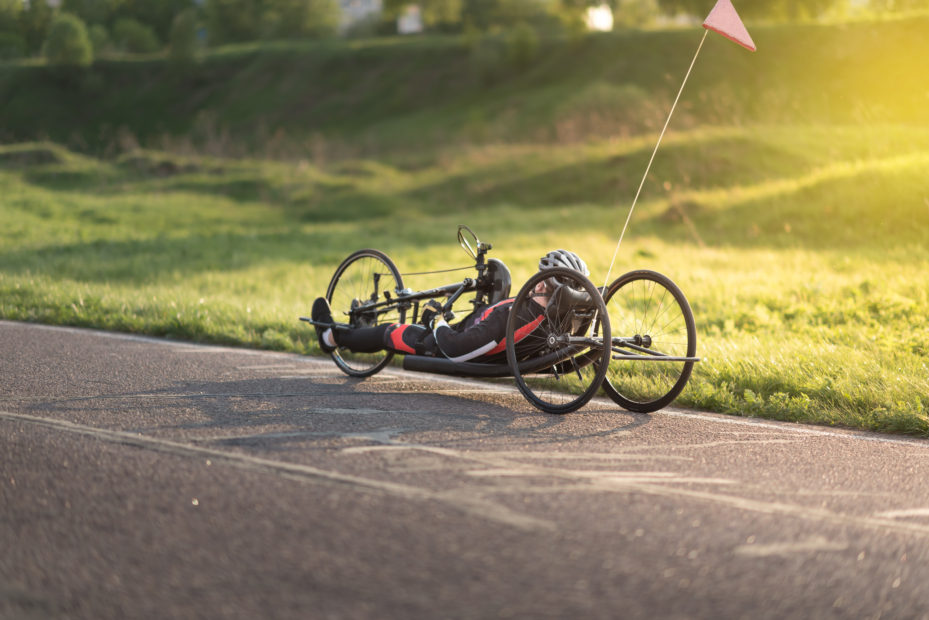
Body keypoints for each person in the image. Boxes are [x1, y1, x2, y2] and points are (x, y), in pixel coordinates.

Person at [312, 249, 589, 363]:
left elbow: (455, 349)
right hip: (482, 330)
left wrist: (437, 321)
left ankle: (330, 336)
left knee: (390, 332)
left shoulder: (510, 318)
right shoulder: (547, 318)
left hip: (441, 344)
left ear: (541, 285)